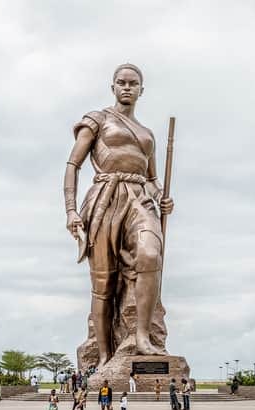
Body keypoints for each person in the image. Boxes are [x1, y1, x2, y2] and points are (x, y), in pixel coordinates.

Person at [63, 63, 175, 367]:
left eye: (133, 83)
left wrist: (162, 198)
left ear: (141, 89)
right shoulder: (97, 120)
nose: (127, 87)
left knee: (150, 255)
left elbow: (151, 180)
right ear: (113, 87)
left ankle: (142, 337)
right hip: (105, 200)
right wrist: (71, 210)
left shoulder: (147, 134)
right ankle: (103, 356)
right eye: (121, 82)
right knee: (104, 283)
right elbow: (73, 165)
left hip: (140, 201)